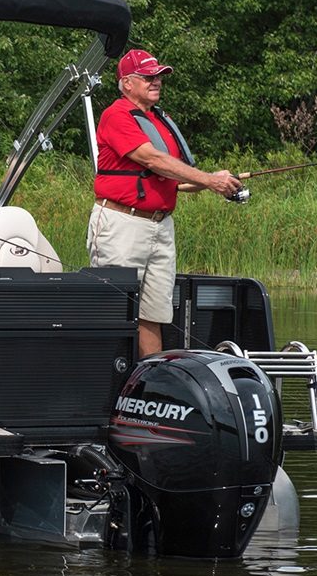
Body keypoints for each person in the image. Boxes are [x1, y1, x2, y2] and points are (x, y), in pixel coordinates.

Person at [90, 48, 242, 358]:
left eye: (159, 76)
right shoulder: (116, 115)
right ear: (127, 82)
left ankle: (149, 388)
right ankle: (107, 389)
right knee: (115, 310)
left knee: (154, 314)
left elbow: (174, 176)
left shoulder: (159, 119)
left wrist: (215, 182)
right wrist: (209, 180)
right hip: (122, 224)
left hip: (160, 226)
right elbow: (152, 159)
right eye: (148, 77)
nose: (156, 81)